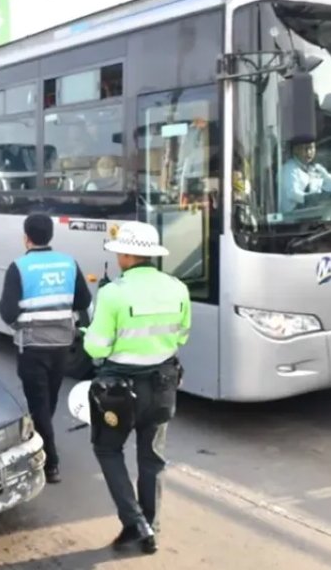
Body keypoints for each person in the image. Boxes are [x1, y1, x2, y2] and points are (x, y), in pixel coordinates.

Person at [83, 221, 190, 555]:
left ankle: (135, 523)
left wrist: (88, 328)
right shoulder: (177, 287)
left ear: (128, 254)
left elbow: (96, 349)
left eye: (119, 253)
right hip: (163, 386)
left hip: (119, 391)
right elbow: (181, 335)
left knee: (107, 449)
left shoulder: (112, 293)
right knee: (152, 459)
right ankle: (151, 528)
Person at [0, 213, 92, 484]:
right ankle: (43, 437)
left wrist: (19, 323)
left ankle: (50, 462)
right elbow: (83, 300)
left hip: (32, 346)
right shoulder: (68, 263)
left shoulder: (19, 267)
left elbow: (7, 310)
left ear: (26, 237)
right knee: (48, 399)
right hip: (62, 345)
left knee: (39, 402)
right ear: (50, 235)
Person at [278, 137, 331, 213]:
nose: (309, 152)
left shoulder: (316, 168)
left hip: (313, 215)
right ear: (295, 150)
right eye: (305, 149)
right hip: (294, 218)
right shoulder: (289, 169)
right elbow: (293, 194)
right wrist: (315, 199)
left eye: (311, 148)